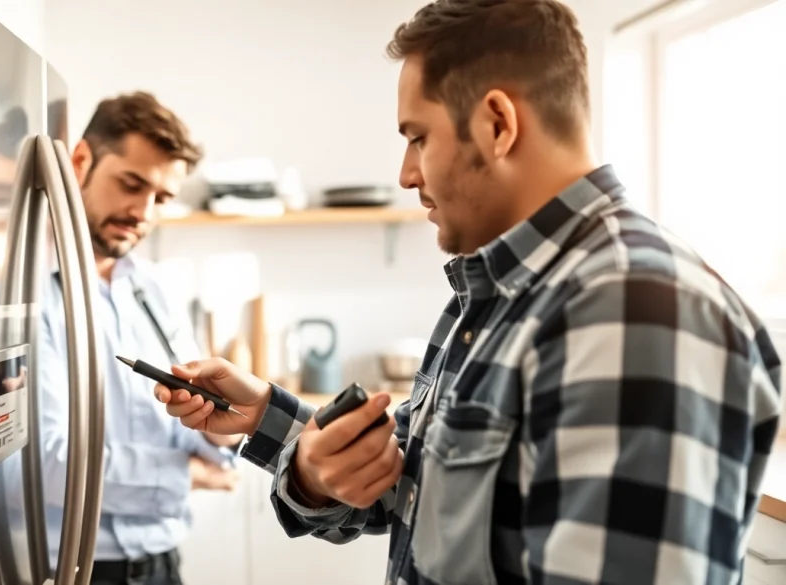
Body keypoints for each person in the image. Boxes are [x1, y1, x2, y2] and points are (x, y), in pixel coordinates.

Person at [152, 1, 784, 584]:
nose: (405, 174)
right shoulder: (489, 299)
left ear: (497, 124)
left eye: (417, 137)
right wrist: (279, 428)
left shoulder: (636, 312)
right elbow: (417, 494)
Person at [38, 91, 243, 585]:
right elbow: (49, 464)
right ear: (81, 161)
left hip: (163, 566)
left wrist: (222, 432)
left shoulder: (154, 290)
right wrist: (188, 475)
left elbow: (194, 424)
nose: (144, 211)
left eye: (162, 198)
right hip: (73, 570)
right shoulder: (30, 291)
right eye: (132, 184)